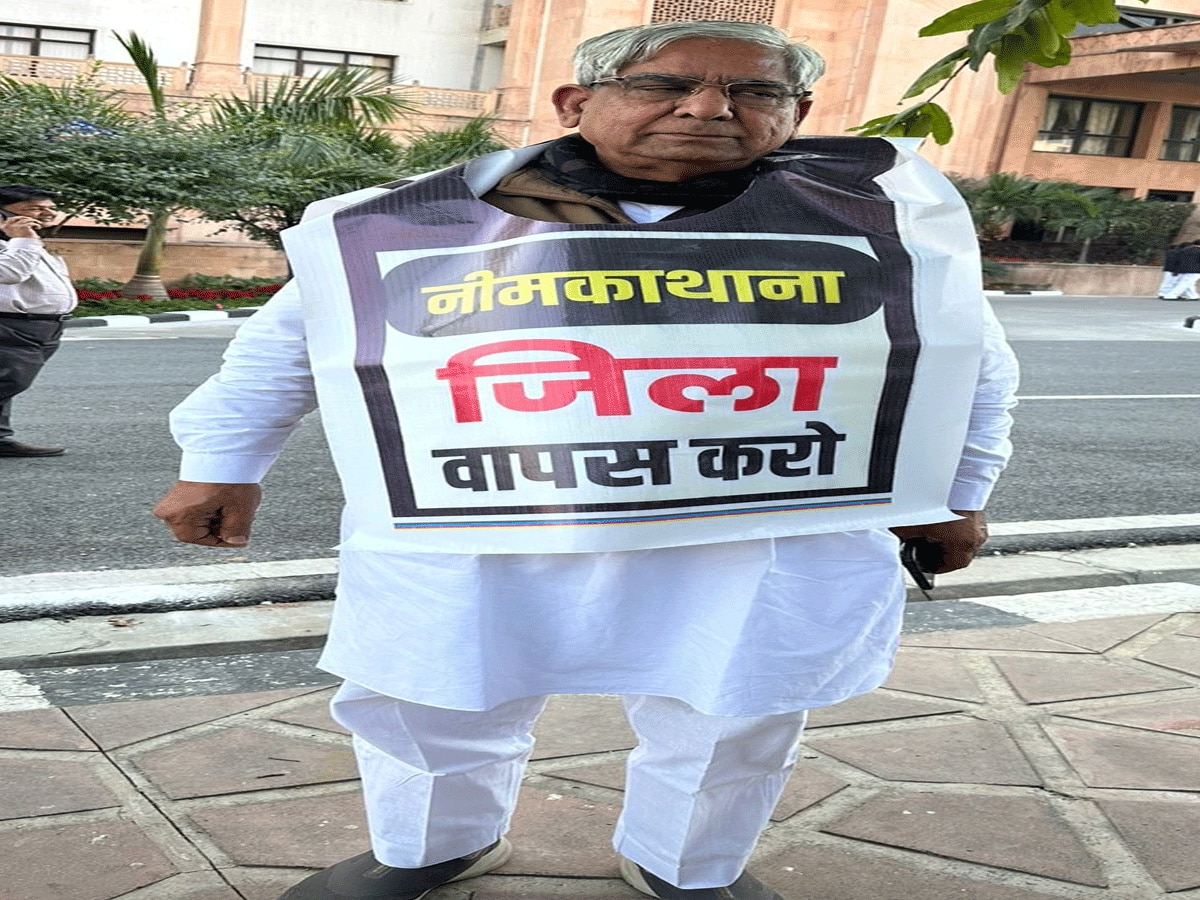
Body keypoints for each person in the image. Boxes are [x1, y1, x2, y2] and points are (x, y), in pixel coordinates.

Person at [153, 21, 1019, 900]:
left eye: (754, 92)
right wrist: (221, 462)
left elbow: (968, 362)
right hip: (480, 523)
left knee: (736, 707)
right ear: (577, 103)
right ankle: (429, 846)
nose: (711, 107)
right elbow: (296, 343)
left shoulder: (881, 220)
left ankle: (686, 865)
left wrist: (958, 493)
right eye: (666, 84)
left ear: (797, 114)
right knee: (432, 691)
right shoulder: (419, 216)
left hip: (761, 529)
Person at [0, 184, 76, 457]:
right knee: (9, 381)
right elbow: (10, 272)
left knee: (9, 383)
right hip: (10, 325)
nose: (46, 215)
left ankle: (0, 439)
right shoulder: (22, 242)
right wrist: (24, 238)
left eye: (50, 209)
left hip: (44, 327)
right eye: (34, 209)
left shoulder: (25, 242)